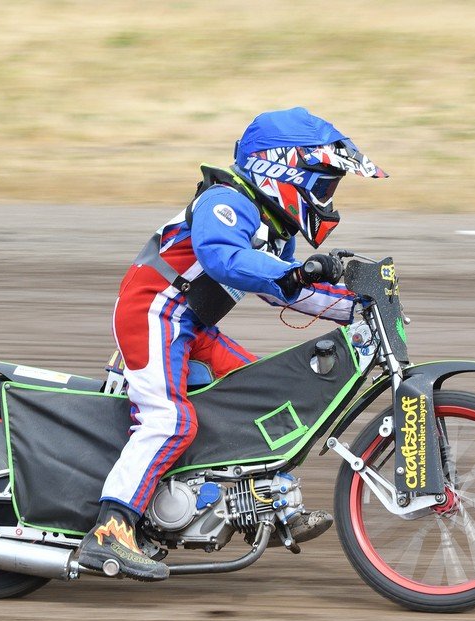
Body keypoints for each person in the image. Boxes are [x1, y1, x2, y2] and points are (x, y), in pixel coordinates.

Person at [77, 107, 387, 580]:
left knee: (262, 389)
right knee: (170, 419)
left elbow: (289, 289)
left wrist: (359, 306)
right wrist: (297, 271)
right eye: (321, 184)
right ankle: (110, 531)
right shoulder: (226, 200)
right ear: (280, 169)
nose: (326, 198)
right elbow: (223, 259)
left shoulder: (270, 225)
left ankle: (274, 502)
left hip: (190, 325)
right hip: (154, 314)